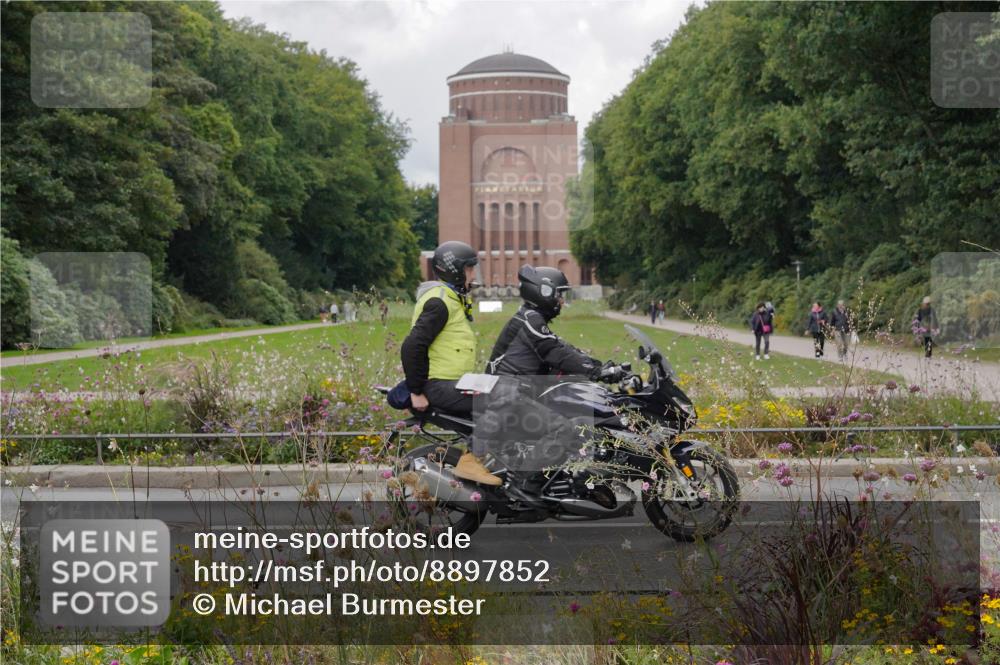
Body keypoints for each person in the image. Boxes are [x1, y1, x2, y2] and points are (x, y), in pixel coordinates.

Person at [486, 264, 622, 501]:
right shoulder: (530, 319)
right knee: (564, 429)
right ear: (544, 292)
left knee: (574, 416)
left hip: (516, 392)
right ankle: (525, 483)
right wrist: (598, 371)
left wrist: (601, 365)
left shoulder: (531, 318)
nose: (561, 300)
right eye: (559, 294)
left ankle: (565, 479)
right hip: (508, 394)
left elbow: (563, 349)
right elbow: (555, 353)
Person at [400, 240, 498, 486]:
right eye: (469, 269)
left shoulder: (452, 299)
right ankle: (472, 460)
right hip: (437, 385)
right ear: (454, 270)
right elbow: (412, 346)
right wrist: (416, 392)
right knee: (501, 398)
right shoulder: (440, 302)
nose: (473, 274)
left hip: (452, 382)